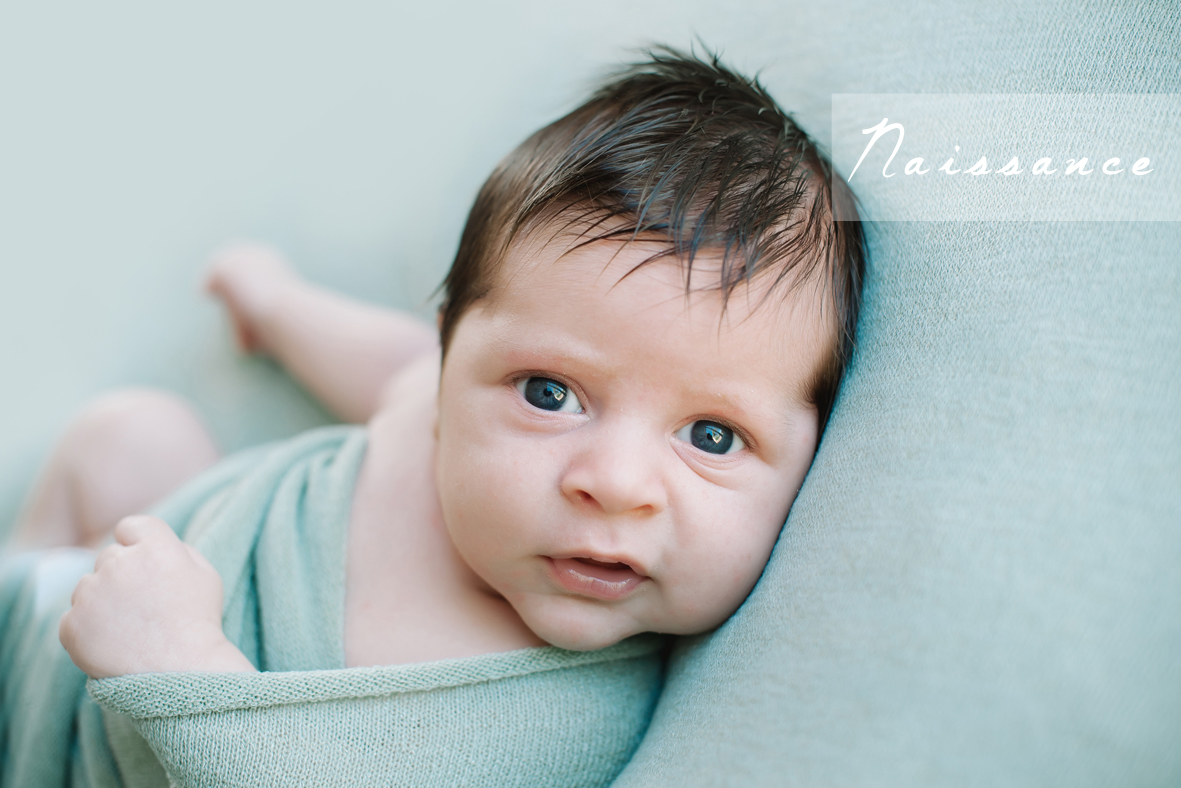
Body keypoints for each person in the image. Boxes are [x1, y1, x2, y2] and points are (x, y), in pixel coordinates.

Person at [9, 44, 863, 750]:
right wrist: (276, 305)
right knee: (128, 434)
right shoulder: (440, 398)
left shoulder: (543, 725)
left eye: (711, 436)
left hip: (85, 717)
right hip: (114, 575)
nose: (615, 482)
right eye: (550, 392)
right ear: (459, 349)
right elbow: (395, 366)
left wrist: (173, 664)